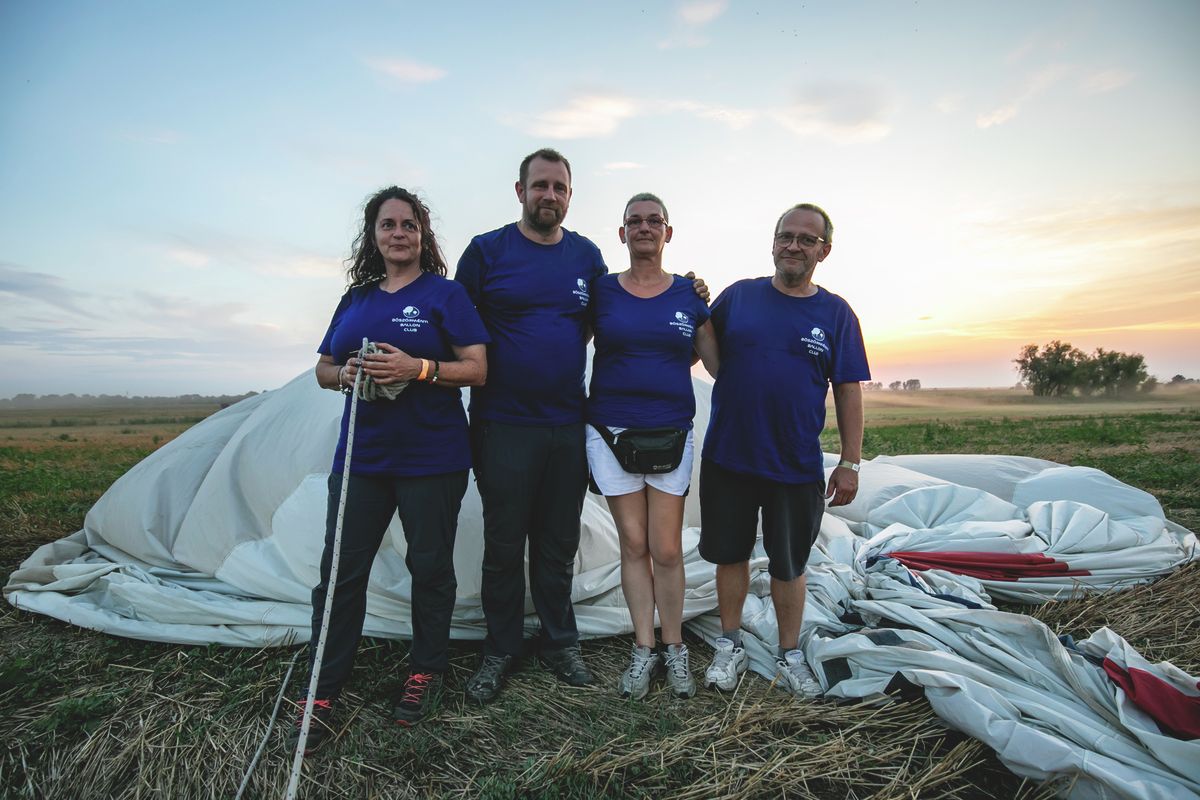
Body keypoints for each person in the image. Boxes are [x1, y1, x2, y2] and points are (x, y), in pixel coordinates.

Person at [291, 186, 489, 753]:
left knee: (429, 567)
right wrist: (347, 374)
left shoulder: (445, 295)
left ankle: (426, 670)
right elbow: (323, 368)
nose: (398, 233)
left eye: (409, 225)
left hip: (433, 457)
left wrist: (420, 367)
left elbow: (477, 369)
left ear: (423, 236)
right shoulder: (355, 299)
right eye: (387, 224)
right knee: (340, 572)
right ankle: (323, 685)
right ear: (373, 235)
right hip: (361, 458)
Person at [698, 203, 869, 698]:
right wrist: (694, 307)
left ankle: (789, 652)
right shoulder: (739, 297)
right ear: (773, 243)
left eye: (806, 239)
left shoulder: (835, 313)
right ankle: (728, 644)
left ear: (824, 250)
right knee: (728, 556)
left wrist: (850, 462)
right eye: (786, 236)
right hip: (729, 455)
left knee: (788, 563)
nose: (794, 245)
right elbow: (713, 362)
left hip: (794, 463)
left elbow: (848, 389)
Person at [454, 149, 605, 703]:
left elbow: (590, 325)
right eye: (540, 185)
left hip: (567, 422)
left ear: (571, 195)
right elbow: (457, 325)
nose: (550, 195)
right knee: (503, 541)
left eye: (560, 187)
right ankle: (499, 649)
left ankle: (559, 641)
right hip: (501, 423)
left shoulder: (586, 256)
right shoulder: (486, 252)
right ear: (519, 191)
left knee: (558, 541)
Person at [586, 193, 717, 700]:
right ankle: (644, 650)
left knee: (666, 547)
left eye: (654, 221)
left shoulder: (688, 294)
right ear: (622, 233)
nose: (644, 228)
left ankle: (675, 646)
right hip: (610, 432)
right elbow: (563, 341)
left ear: (668, 232)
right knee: (634, 545)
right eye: (634, 221)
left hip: (670, 433)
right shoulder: (601, 291)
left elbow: (718, 363)